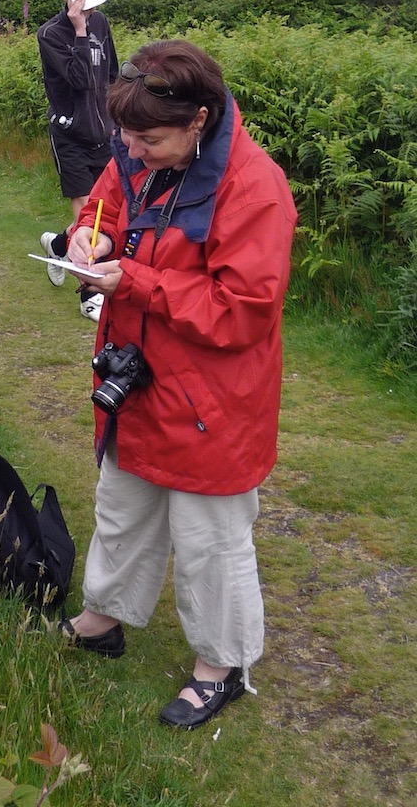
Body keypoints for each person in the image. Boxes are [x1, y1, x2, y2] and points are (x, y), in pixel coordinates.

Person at [57, 39, 297, 729]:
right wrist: (90, 238)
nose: (132, 153)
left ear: (199, 120)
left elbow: (243, 312)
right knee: (123, 505)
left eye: (149, 139)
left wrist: (133, 279)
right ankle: (104, 618)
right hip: (139, 380)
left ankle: (219, 666)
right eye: (124, 138)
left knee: (209, 536)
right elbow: (101, 209)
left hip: (213, 398)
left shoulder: (253, 187)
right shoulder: (137, 155)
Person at [36, 0, 118, 321]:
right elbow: (82, 79)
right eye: (83, 3)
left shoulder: (101, 23)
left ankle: (57, 246)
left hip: (105, 133)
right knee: (89, 213)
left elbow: (110, 74)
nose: (89, 11)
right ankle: (89, 296)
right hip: (69, 134)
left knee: (107, 211)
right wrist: (80, 31)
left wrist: (118, 121)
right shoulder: (51, 34)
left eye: (93, 4)